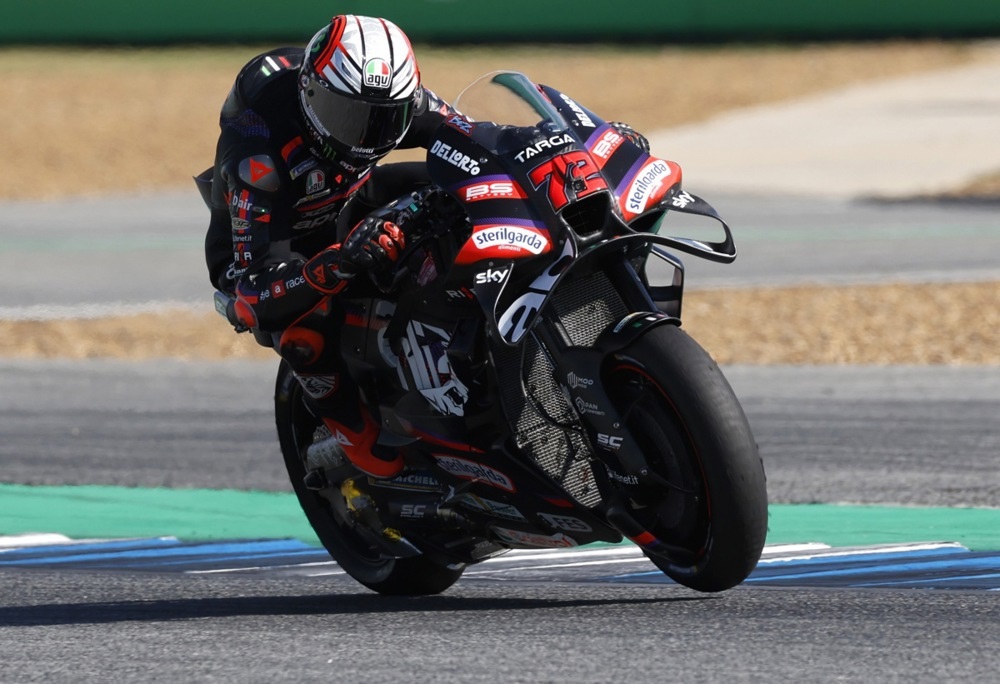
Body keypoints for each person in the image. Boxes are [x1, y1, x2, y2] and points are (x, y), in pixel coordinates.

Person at [200, 15, 458, 479]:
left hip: (343, 201)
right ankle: (354, 437)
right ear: (311, 95)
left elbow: (471, 134)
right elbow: (253, 292)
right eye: (351, 118)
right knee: (302, 331)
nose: (369, 135)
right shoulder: (259, 152)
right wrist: (338, 262)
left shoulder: (394, 98)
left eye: (386, 120)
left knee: (457, 189)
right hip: (267, 247)